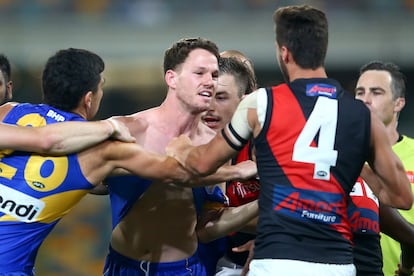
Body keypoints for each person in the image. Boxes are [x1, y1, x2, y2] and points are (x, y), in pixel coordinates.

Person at [166, 5, 413, 276]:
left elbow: (201, 166)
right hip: (338, 264)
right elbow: (401, 196)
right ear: (323, 50)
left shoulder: (260, 104)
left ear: (283, 52)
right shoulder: (361, 115)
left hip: (277, 261)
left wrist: (182, 148)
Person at [0, 47, 206, 275]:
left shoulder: (8, 112)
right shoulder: (101, 149)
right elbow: (173, 170)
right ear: (89, 99)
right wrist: (237, 166)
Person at [103, 37, 258, 275]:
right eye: (200, 73)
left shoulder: (216, 145)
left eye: (214, 76)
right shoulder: (127, 128)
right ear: (171, 78)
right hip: (122, 266)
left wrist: (267, 207)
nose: (209, 83)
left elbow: (207, 226)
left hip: (184, 268)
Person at [197, 55, 258, 276]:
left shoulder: (265, 143)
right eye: (206, 96)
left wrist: (272, 241)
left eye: (221, 97)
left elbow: (301, 209)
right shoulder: (187, 142)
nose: (210, 107)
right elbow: (202, 227)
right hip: (210, 260)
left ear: (244, 101)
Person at [354, 61, 414, 276]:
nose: (365, 100)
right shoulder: (340, 156)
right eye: (360, 92)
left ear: (399, 103)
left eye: (376, 92)